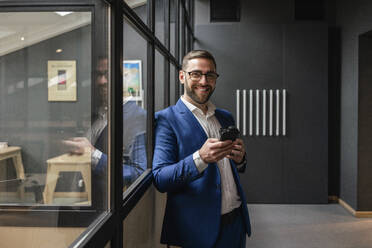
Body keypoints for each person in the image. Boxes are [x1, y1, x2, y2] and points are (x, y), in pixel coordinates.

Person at [152, 50, 251, 248]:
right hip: (196, 230)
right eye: (196, 74)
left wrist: (240, 160)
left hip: (235, 223)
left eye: (210, 75)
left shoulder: (224, 116)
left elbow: (232, 168)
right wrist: (201, 158)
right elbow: (161, 178)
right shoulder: (166, 119)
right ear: (182, 76)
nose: (204, 81)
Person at [63, 56, 147, 207]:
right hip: (91, 204)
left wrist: (93, 154)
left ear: (124, 79)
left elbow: (139, 173)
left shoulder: (137, 117)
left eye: (108, 74)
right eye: (98, 75)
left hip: (111, 210)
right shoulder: (101, 113)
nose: (101, 81)